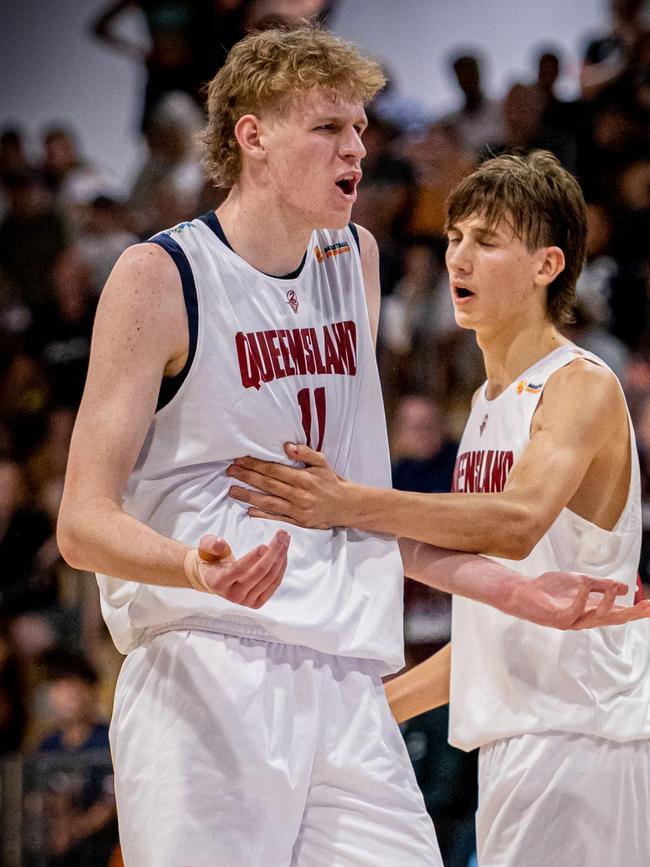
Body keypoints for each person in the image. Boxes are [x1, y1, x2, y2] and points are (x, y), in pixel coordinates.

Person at [58, 29, 636, 866]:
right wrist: (193, 565)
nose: (358, 147)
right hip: (205, 664)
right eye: (329, 127)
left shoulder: (355, 259)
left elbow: (354, 509)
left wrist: (513, 593)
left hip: (345, 681)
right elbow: (81, 522)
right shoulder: (159, 277)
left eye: (361, 128)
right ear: (252, 136)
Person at [226, 150, 650, 866]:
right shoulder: (486, 408)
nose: (460, 256)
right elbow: (492, 633)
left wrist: (349, 502)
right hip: (520, 742)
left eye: (487, 241)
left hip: (584, 739)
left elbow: (518, 524)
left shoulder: (579, 385)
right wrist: (366, 716)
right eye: (455, 237)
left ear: (548, 265)